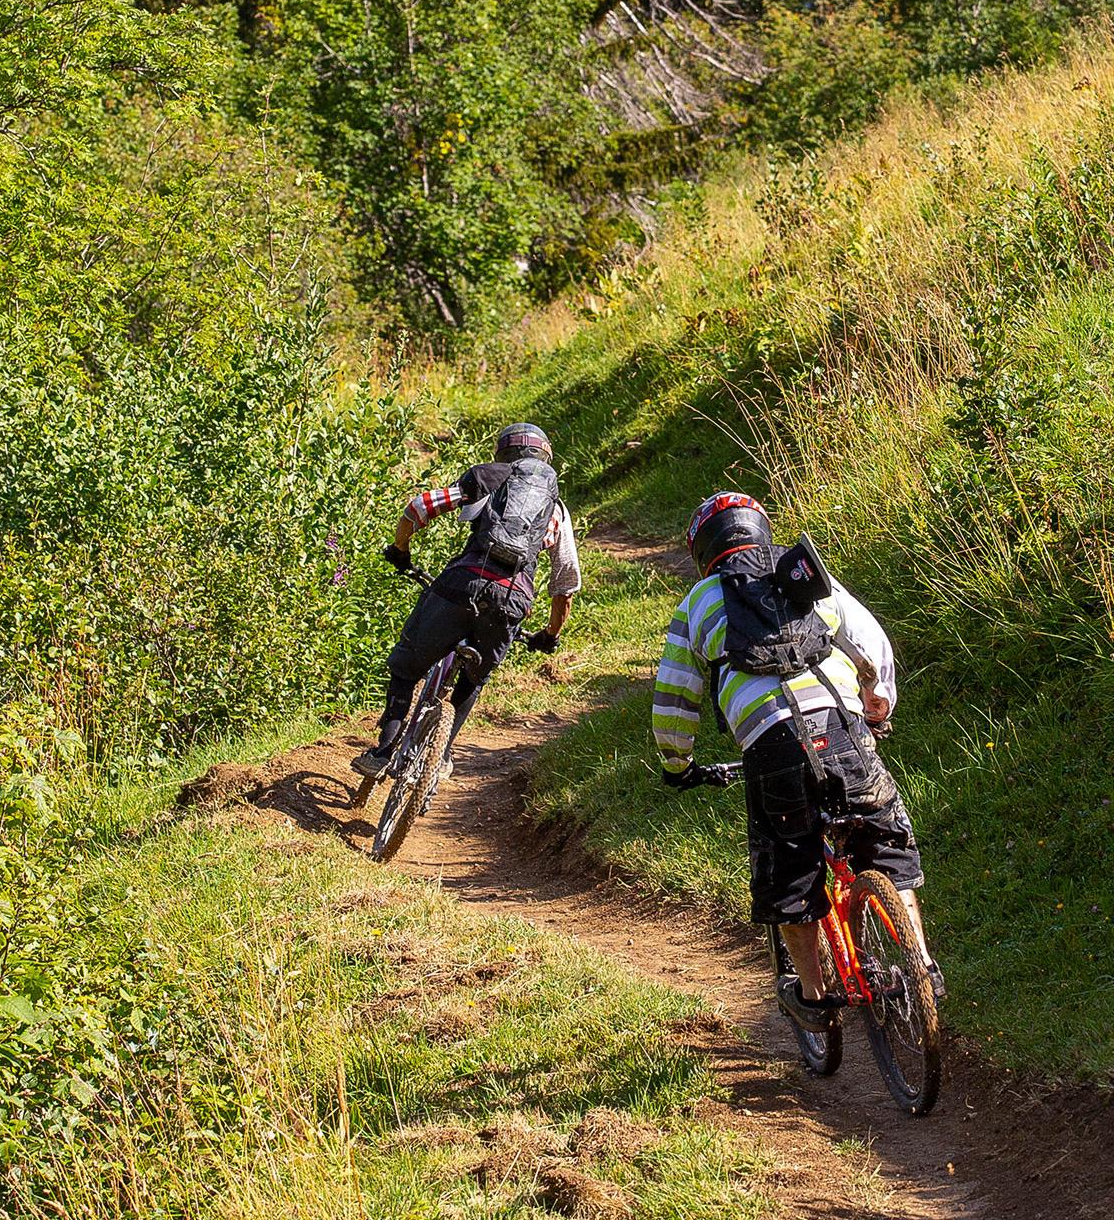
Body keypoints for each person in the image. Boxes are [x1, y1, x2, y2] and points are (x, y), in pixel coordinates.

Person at [652, 491, 943, 1029]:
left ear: (703, 551)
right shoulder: (801, 571)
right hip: (843, 727)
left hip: (772, 747)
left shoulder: (697, 603)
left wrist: (678, 764)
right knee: (884, 841)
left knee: (788, 870)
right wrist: (877, 707)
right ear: (761, 529)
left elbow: (674, 699)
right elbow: (870, 642)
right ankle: (921, 965)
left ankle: (814, 995)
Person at [352, 423, 582, 780]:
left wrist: (401, 550)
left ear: (503, 452)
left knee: (406, 667)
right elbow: (565, 581)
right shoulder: (556, 509)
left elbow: (420, 507)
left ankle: (383, 751)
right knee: (473, 680)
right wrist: (549, 634)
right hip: (512, 599)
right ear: (545, 455)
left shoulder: (490, 478)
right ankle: (440, 756)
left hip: (463, 584)